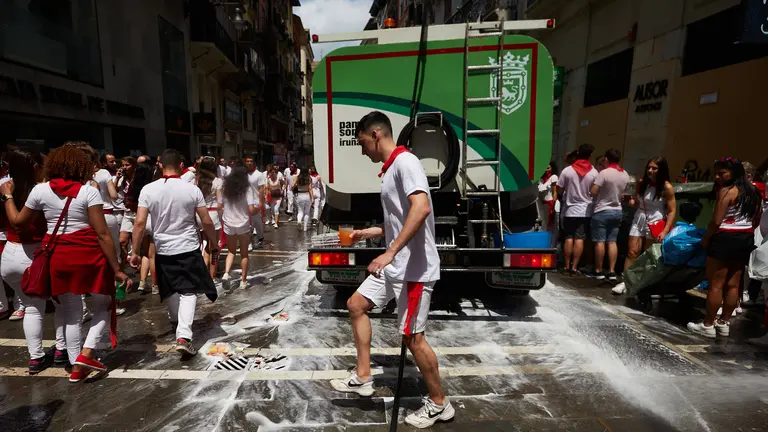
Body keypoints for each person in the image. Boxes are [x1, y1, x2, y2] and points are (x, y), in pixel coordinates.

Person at [330, 111, 453, 428]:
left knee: (414, 339)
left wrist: (390, 252)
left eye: (361, 143)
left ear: (374, 135)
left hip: (413, 268)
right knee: (356, 304)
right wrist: (365, 234)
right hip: (397, 264)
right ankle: (363, 375)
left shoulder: (406, 162)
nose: (361, 151)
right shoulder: (392, 168)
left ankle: (440, 403)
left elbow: (421, 208)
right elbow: (397, 221)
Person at [1, 144, 130, 382]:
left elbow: (18, 221)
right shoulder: (88, 192)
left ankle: (75, 365)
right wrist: (117, 268)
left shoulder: (40, 191)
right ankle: (86, 352)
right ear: (80, 167)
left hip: (58, 256)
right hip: (88, 255)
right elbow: (102, 234)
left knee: (71, 312)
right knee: (106, 304)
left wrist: (8, 196)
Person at [131, 149, 219, 356]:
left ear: (160, 165)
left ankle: (175, 321)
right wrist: (213, 243)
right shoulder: (192, 190)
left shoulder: (148, 190)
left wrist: (134, 251)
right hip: (187, 246)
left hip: (163, 248)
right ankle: (184, 336)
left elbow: (140, 223)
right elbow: (206, 221)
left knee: (170, 286)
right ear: (181, 166)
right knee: (188, 291)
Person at [0, 149, 67, 373]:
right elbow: (22, 222)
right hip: (36, 254)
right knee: (58, 303)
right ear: (35, 167)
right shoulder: (40, 191)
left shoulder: (5, 187)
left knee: (31, 306)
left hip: (10, 254)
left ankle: (38, 356)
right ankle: (59, 350)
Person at [688, 157, 762, 338]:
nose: (718, 177)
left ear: (734, 173)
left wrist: (706, 239)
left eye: (722, 173)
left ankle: (707, 325)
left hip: (724, 238)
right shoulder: (754, 191)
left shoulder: (726, 192)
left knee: (716, 283)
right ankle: (724, 323)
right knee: (733, 284)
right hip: (745, 237)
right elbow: (757, 217)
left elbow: (715, 221)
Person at [625, 157, 676, 269]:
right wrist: (631, 201)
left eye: (654, 168)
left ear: (661, 170)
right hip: (639, 218)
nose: (650, 171)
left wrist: (665, 231)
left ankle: (642, 283)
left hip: (655, 221)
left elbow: (672, 211)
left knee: (648, 255)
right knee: (632, 252)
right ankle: (626, 281)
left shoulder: (666, 187)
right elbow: (635, 199)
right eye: (648, 167)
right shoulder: (642, 183)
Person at [556, 144, 598, 275]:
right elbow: (595, 191)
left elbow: (559, 189)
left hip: (569, 210)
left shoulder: (567, 170)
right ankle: (574, 267)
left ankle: (566, 265)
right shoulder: (594, 172)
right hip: (586, 210)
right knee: (580, 239)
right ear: (590, 156)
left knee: (568, 238)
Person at [588, 149, 629, 281]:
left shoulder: (604, 173)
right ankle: (612, 271)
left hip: (602, 210)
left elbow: (594, 191)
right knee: (612, 242)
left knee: (600, 242)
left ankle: (599, 270)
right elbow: (624, 192)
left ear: (606, 159)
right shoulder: (625, 174)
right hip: (617, 210)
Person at [220, 161, 256, 289]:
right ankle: (243, 282)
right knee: (244, 254)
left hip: (229, 222)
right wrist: (259, 208)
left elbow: (220, 204)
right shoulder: (247, 189)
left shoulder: (226, 188)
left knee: (231, 251)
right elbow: (251, 209)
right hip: (243, 223)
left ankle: (226, 273)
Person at [125, 161, 157, 294]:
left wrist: (134, 251)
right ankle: (155, 285)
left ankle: (143, 282)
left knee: (144, 254)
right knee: (153, 255)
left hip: (137, 219)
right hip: (151, 219)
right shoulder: (153, 186)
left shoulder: (133, 186)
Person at [195, 157, 222, 282]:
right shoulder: (217, 181)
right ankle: (212, 275)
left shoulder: (196, 181)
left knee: (206, 246)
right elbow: (220, 201)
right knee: (215, 247)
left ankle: (204, 274)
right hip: (213, 216)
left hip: (200, 215)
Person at [244, 155, 265, 247]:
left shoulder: (259, 174)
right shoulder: (243, 173)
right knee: (248, 224)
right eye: (247, 161)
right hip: (245, 202)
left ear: (254, 162)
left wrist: (261, 203)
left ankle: (261, 238)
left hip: (256, 202)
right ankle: (249, 243)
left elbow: (261, 189)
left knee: (257, 222)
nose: (249, 163)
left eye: (251, 161)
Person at [536, 161, 558, 232]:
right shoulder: (541, 179)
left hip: (551, 202)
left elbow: (555, 192)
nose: (546, 170)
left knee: (551, 224)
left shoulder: (553, 177)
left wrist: (553, 206)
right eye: (545, 168)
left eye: (548, 168)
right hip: (542, 204)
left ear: (552, 168)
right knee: (543, 223)